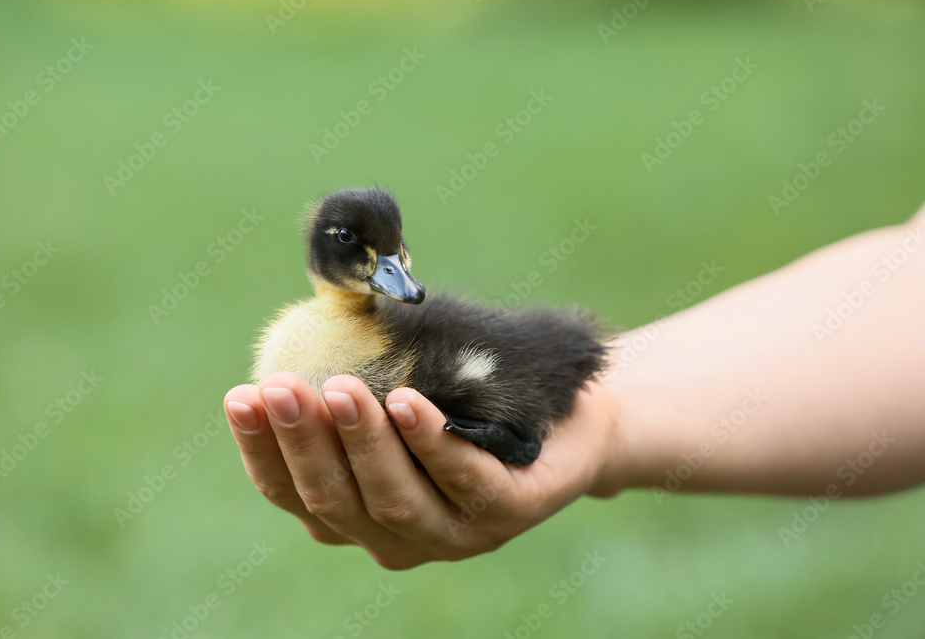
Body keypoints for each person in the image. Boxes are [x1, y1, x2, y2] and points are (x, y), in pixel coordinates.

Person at [222, 203, 925, 570]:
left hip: (504, 383)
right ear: (324, 248)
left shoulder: (393, 346)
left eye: (394, 253)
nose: (395, 272)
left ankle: (513, 432)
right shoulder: (346, 335)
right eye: (363, 249)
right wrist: (612, 421)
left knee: (462, 374)